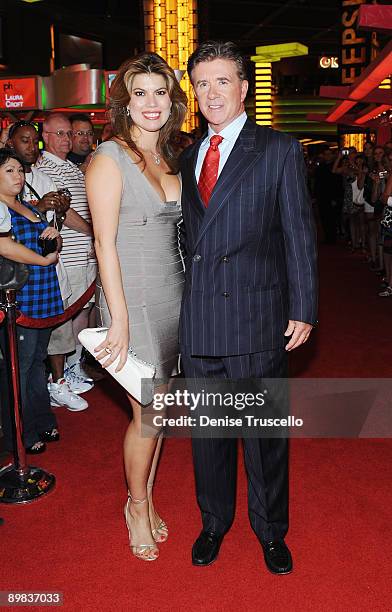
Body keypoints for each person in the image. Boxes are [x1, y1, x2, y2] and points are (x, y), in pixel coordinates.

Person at [179, 41, 318, 573]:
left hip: (259, 316)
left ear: (243, 88)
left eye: (222, 81)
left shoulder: (278, 148)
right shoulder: (188, 154)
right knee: (209, 434)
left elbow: (298, 234)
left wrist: (303, 306)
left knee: (264, 437)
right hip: (202, 320)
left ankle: (271, 530)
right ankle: (214, 522)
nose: (211, 93)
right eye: (202, 83)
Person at [86, 52, 187, 561]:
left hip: (174, 295)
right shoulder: (108, 156)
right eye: (140, 93)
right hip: (133, 301)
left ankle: (144, 493)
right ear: (124, 102)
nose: (151, 103)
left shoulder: (171, 157)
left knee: (162, 410)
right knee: (148, 411)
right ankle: (138, 505)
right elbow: (104, 244)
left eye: (160, 92)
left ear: (173, 101)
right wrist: (118, 320)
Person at [6, 119, 90, 409]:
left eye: (34, 140)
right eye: (24, 140)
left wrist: (59, 218)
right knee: (26, 356)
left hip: (50, 272)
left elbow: (57, 221)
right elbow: (10, 234)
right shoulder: (7, 184)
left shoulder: (42, 178)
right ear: (10, 145)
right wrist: (37, 209)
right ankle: (25, 413)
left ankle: (54, 388)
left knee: (51, 337)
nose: (31, 146)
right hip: (20, 281)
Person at [0, 148, 61, 454]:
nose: (18, 176)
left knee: (37, 361)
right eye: (9, 170)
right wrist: (43, 259)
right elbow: (7, 248)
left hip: (44, 294)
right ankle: (19, 433)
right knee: (19, 367)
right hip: (18, 297)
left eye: (20, 170)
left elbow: (51, 244)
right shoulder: (1, 210)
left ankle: (40, 418)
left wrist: (53, 237)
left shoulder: (30, 207)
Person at [36, 112, 96, 409]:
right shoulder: (46, 167)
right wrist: (92, 231)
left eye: (68, 133)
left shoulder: (71, 166)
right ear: (44, 136)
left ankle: (73, 367)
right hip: (68, 253)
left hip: (84, 253)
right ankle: (61, 375)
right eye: (60, 133)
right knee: (67, 314)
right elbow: (64, 212)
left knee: (82, 312)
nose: (67, 139)